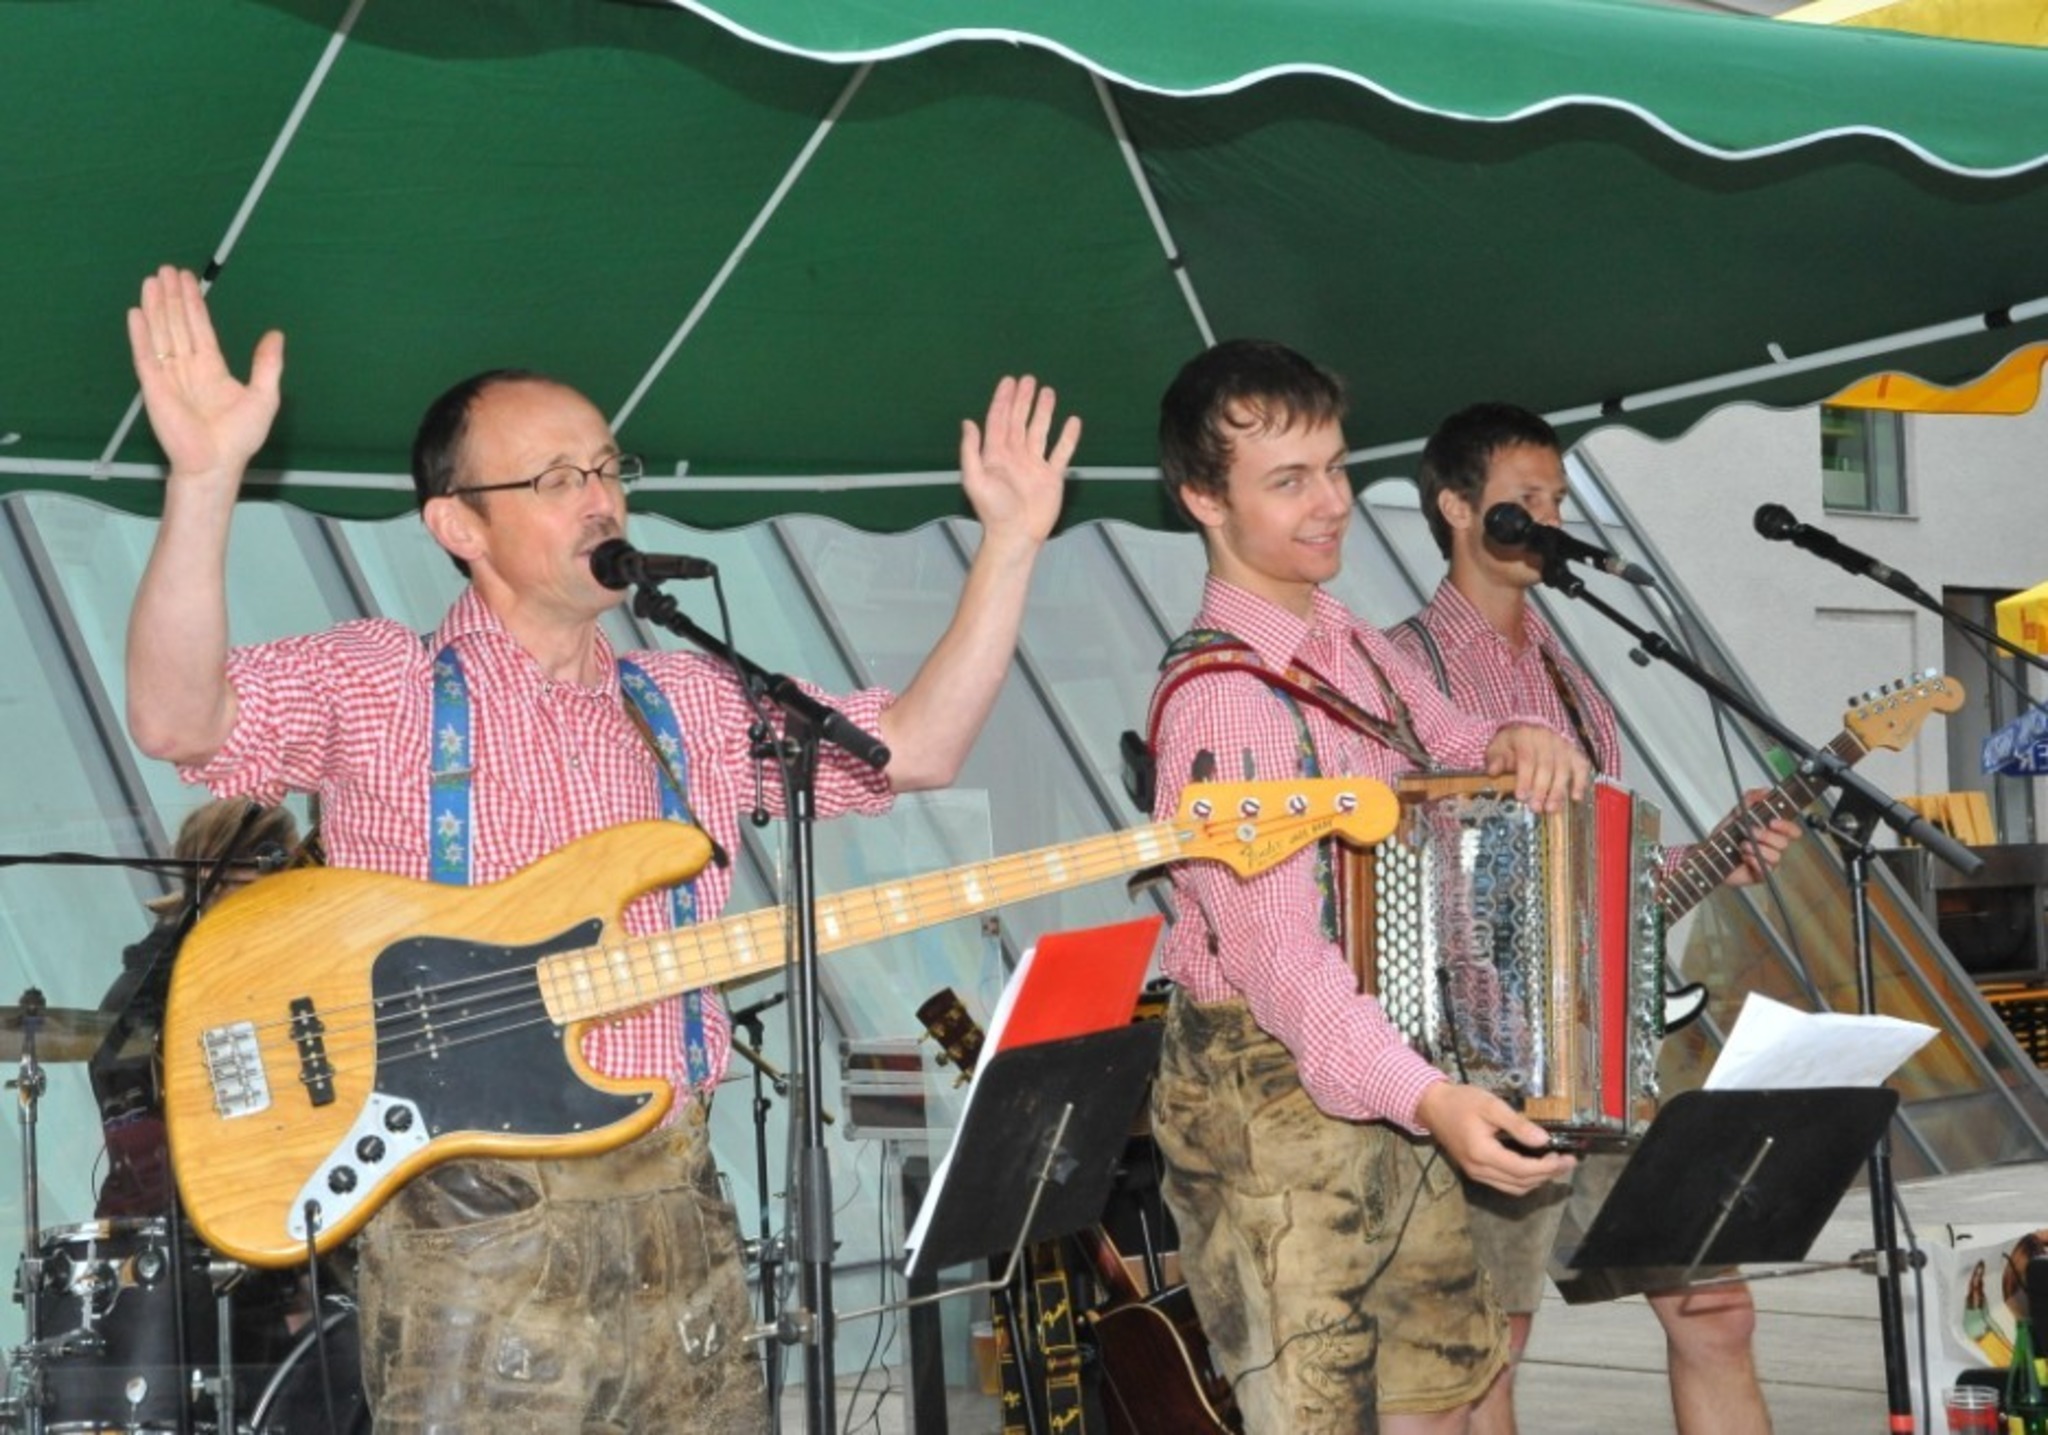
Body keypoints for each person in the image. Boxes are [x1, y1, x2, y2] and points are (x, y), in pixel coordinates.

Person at [121, 264, 1078, 1433]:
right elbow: (181, 718)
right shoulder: (385, 683)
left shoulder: (688, 699)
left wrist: (1012, 545)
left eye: (608, 468)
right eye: (556, 478)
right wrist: (206, 476)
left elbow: (912, 748)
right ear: (457, 524)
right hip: (478, 1227)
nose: (599, 500)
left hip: (679, 1201)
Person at [1142, 339, 1590, 1435]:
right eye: (1288, 481)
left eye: (1335, 469)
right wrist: (1431, 1099)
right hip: (1268, 1112)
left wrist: (1516, 735)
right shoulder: (1222, 702)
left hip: (1390, 1062)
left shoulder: (1342, 636)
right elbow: (1283, 966)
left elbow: (1448, 741)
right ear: (1203, 498)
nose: (1330, 504)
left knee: (1442, 1395)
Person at [1392, 400, 1800, 1435]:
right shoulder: (1400, 668)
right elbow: (1407, 874)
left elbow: (1599, 877)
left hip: (1608, 1052)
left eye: (1557, 499)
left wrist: (1714, 855)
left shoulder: (1573, 679)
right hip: (1482, 1064)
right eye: (1521, 499)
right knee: (1489, 1349)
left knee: (1714, 1307)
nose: (1548, 516)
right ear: (1452, 506)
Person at [93, 795, 302, 1217]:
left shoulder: (271, 963)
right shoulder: (151, 992)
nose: (289, 886)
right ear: (211, 873)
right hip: (198, 1223)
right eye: (272, 866)